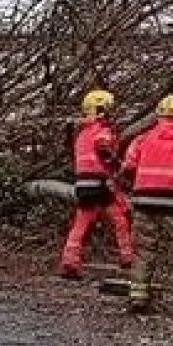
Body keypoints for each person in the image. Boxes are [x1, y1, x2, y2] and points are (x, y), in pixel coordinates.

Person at [120, 95, 173, 313]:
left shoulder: (142, 139)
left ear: (158, 116)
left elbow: (128, 165)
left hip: (144, 201)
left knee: (144, 251)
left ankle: (138, 297)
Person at [59, 89, 135, 279]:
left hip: (83, 184)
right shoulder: (101, 130)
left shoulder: (80, 133)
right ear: (100, 109)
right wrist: (118, 166)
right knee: (119, 218)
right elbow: (104, 150)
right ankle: (127, 257)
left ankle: (70, 260)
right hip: (99, 183)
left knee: (81, 222)